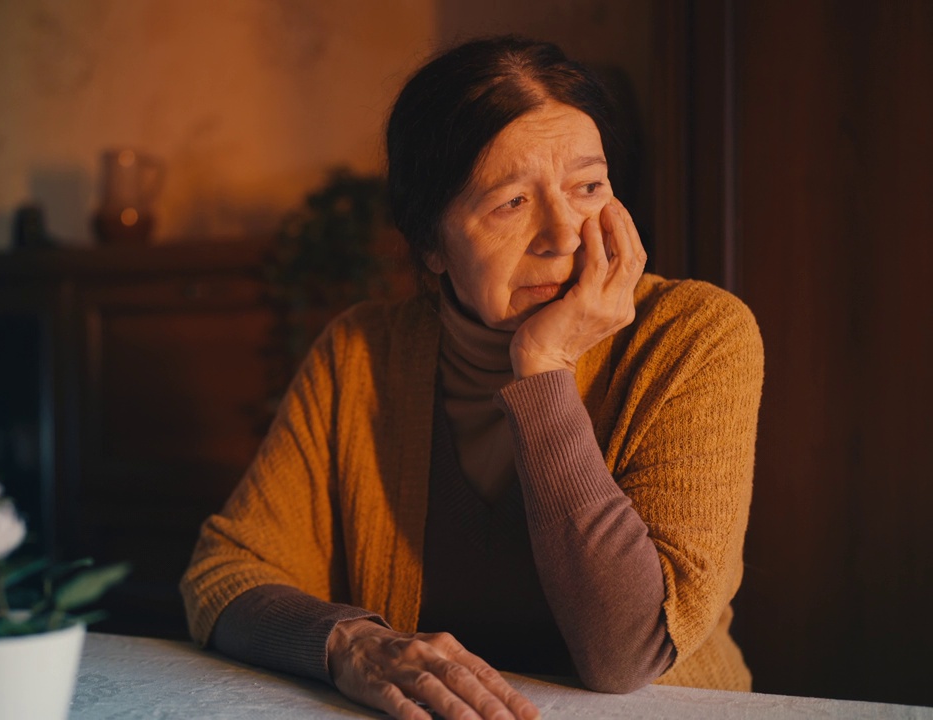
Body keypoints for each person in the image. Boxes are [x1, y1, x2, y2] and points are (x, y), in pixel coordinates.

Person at [180, 35, 763, 720]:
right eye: (510, 203)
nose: (565, 234)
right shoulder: (362, 353)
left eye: (588, 187)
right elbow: (223, 574)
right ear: (431, 244)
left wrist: (543, 369)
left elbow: (626, 655)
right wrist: (351, 645)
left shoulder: (695, 335)